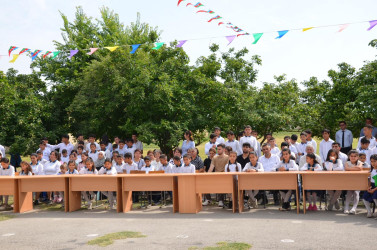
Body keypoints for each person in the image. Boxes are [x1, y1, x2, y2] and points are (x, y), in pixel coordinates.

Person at [344, 150, 363, 214]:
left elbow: (360, 168)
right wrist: (355, 168)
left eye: (355, 156)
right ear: (349, 156)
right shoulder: (347, 162)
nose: (353, 157)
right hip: (349, 180)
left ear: (357, 157)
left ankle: (354, 208)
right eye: (351, 156)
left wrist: (351, 168)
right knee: (349, 192)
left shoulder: (360, 162)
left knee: (356, 192)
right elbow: (346, 168)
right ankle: (346, 207)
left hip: (358, 180)